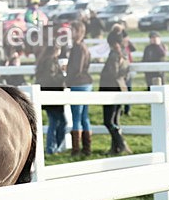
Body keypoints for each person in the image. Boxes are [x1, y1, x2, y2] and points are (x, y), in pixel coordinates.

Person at [99, 25, 132, 155]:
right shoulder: (124, 54)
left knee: (108, 121)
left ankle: (121, 143)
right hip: (120, 89)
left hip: (110, 90)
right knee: (115, 120)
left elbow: (112, 73)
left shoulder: (114, 55)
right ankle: (115, 148)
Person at [66, 21, 93, 156]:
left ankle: (76, 149)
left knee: (76, 116)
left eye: (72, 30)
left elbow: (77, 68)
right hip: (86, 83)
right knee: (84, 117)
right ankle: (87, 148)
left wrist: (67, 80)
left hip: (79, 83)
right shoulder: (84, 47)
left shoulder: (78, 47)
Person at [35, 43, 68, 155]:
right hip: (53, 94)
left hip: (48, 94)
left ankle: (52, 147)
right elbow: (51, 78)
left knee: (54, 122)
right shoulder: (51, 61)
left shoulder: (44, 60)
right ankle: (53, 147)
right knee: (59, 122)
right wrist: (63, 75)